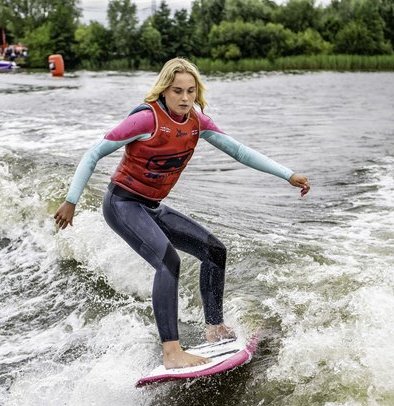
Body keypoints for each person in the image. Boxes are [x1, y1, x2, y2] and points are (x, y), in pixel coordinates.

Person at [54, 58, 310, 370]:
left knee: (214, 251)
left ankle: (214, 328)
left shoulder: (196, 122)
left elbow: (239, 152)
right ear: (164, 91)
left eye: (191, 91)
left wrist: (287, 175)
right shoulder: (146, 119)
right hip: (122, 204)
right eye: (177, 91)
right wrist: (71, 201)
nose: (185, 98)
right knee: (168, 262)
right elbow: (94, 153)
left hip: (151, 207)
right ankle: (172, 352)